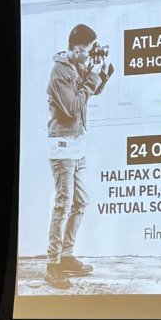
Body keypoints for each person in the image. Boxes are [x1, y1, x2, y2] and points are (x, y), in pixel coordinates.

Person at [46, 23, 112, 289]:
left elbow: (90, 91)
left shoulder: (77, 65)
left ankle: (67, 255)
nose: (89, 55)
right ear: (74, 50)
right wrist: (92, 77)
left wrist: (102, 75)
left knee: (81, 201)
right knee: (64, 203)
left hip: (77, 142)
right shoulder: (60, 71)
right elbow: (73, 107)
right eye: (86, 51)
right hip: (62, 144)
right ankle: (52, 265)